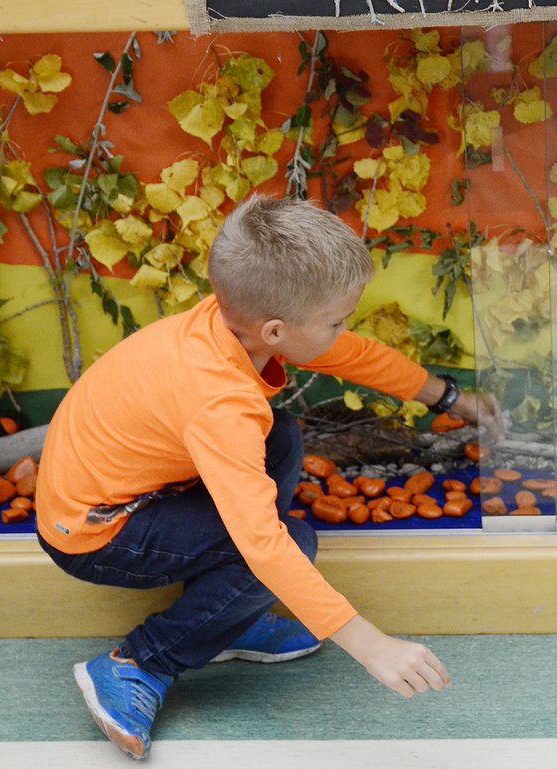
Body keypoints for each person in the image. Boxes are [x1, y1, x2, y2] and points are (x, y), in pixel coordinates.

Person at [35, 194, 501, 760]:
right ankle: (139, 662)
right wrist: (371, 645)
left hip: (132, 491)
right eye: (336, 320)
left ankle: (225, 616)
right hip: (96, 532)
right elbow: (262, 543)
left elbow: (350, 355)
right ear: (276, 330)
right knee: (289, 547)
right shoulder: (221, 403)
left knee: (278, 437)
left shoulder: (230, 324)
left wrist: (449, 398)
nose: (344, 329)